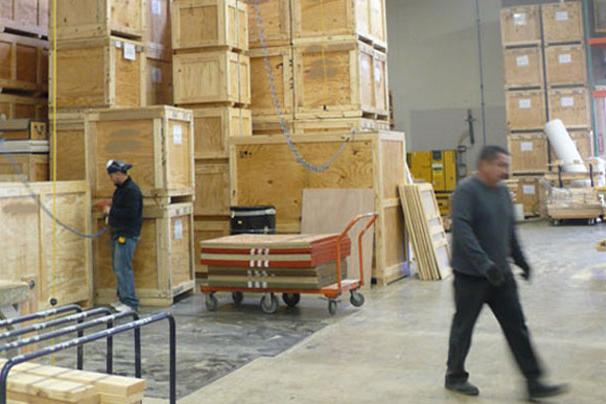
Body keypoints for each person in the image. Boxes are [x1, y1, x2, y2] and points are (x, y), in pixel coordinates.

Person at [445, 146, 568, 400]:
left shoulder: (502, 193)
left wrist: (522, 261)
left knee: (517, 328)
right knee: (463, 328)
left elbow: (509, 232)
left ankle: (534, 382)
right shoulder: (466, 192)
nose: (505, 171)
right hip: (471, 277)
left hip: (500, 276)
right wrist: (484, 265)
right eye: (501, 165)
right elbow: (463, 233)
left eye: (506, 165)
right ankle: (455, 376)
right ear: (484, 165)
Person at [103, 160, 143, 312]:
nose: (111, 179)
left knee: (123, 268)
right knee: (117, 267)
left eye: (112, 176)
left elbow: (130, 214)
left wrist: (110, 212)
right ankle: (122, 298)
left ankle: (130, 302)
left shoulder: (131, 191)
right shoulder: (121, 189)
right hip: (118, 233)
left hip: (126, 235)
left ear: (119, 174)